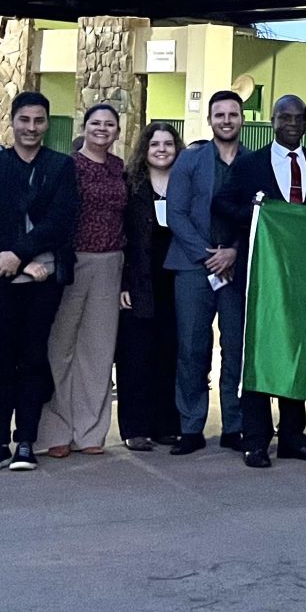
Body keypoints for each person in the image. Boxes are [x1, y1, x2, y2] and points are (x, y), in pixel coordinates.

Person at [217, 94, 306, 466]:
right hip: (262, 274)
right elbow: (221, 203)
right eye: (284, 117)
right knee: (259, 354)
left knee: (297, 355)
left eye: (297, 118)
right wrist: (259, 217)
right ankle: (256, 440)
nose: (291, 124)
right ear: (272, 121)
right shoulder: (249, 164)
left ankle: (292, 438)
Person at [0, 91, 78, 473]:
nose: (31, 127)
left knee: (33, 356)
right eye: (24, 120)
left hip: (44, 279)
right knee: (0, 358)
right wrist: (16, 260)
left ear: (47, 124)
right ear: (12, 122)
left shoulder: (61, 166)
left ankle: (26, 440)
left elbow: (61, 220)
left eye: (38, 120)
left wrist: (24, 255)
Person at [39, 103, 127, 457]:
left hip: (111, 263)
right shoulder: (67, 166)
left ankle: (90, 432)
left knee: (98, 351)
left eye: (109, 124)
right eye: (96, 123)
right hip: (72, 261)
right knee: (60, 348)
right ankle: (55, 431)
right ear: (84, 127)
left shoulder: (119, 168)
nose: (102, 128)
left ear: (117, 131)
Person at [166, 89, 249, 456]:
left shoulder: (253, 162)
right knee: (191, 348)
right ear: (210, 119)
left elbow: (262, 216)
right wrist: (207, 255)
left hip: (238, 267)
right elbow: (176, 213)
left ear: (241, 119)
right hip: (192, 267)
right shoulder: (190, 160)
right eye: (220, 115)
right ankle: (190, 427)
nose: (226, 120)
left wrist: (234, 252)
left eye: (233, 114)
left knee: (236, 347)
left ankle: (235, 426)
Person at [115, 120, 183, 451]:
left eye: (168, 144)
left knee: (168, 353)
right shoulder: (130, 184)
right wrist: (123, 282)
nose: (161, 150)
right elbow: (119, 235)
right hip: (138, 280)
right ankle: (135, 428)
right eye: (155, 144)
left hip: (175, 280)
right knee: (135, 356)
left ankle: (165, 425)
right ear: (145, 148)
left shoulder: (184, 182)